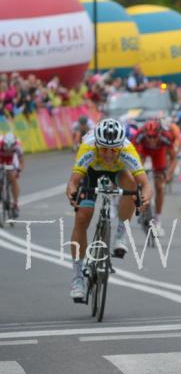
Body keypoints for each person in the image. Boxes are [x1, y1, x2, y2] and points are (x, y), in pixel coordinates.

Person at [66, 118, 152, 301]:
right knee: (83, 218)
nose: (108, 154)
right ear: (97, 144)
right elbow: (73, 182)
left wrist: (144, 197)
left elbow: (145, 184)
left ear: (120, 147)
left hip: (117, 172)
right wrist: (73, 194)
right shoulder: (88, 147)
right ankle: (77, 278)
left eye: (113, 150)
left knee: (131, 186)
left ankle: (121, 234)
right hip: (90, 172)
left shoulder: (128, 150)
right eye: (103, 148)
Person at [131, 119, 177, 237]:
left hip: (159, 153)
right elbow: (131, 156)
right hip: (143, 151)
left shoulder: (166, 137)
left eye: (154, 137)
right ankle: (141, 203)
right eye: (149, 137)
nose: (151, 140)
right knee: (137, 176)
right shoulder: (140, 136)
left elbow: (173, 158)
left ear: (160, 134)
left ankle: (158, 220)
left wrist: (169, 174)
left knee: (159, 186)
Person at [0, 132, 24, 217]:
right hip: (1, 159)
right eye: (7, 147)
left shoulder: (18, 146)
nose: (9, 150)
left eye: (11, 148)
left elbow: (21, 162)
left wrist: (18, 170)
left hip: (12, 161)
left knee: (13, 179)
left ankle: (15, 203)